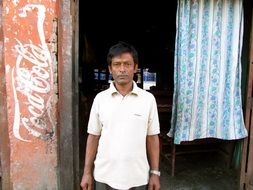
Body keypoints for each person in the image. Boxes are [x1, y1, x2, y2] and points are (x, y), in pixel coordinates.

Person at [80, 41, 161, 190]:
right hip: (104, 177)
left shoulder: (148, 99)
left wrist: (155, 173)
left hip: (138, 177)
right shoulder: (100, 99)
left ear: (135, 67)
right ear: (110, 69)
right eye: (117, 64)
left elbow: (152, 137)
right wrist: (87, 172)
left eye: (127, 64)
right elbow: (93, 136)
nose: (122, 69)